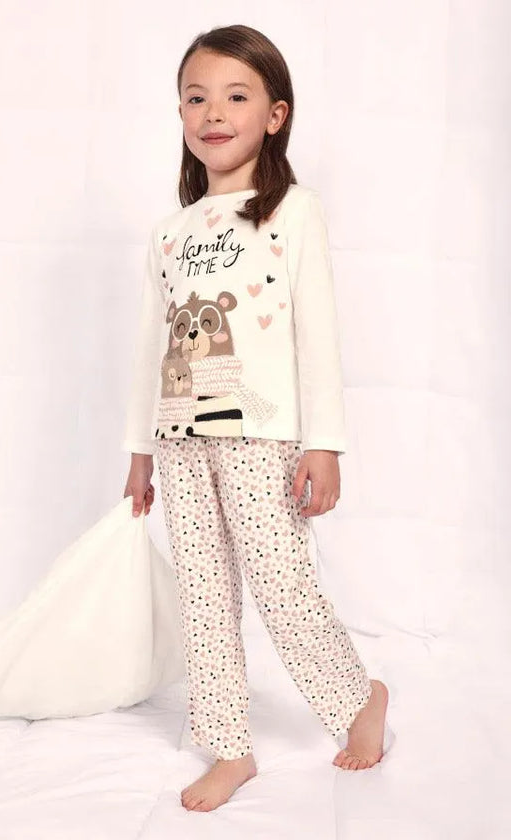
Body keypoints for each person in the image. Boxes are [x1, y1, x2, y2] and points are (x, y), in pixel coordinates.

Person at [122, 24, 390, 813]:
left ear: (275, 115)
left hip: (262, 435)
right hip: (180, 440)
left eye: (236, 97)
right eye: (196, 98)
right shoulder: (170, 233)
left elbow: (318, 333)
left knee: (281, 585)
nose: (213, 113)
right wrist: (139, 450)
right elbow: (150, 347)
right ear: (179, 113)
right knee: (203, 596)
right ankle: (228, 747)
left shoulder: (293, 212)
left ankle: (357, 696)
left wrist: (325, 444)